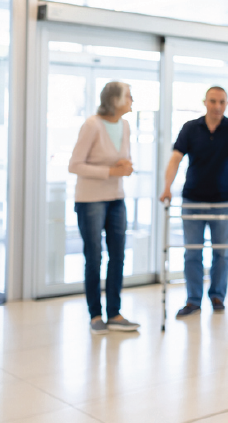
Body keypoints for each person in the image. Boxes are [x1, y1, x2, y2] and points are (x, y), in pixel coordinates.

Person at [160, 86, 228, 318]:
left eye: (222, 102)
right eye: (213, 101)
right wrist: (167, 187)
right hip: (193, 200)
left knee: (222, 252)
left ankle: (217, 296)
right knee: (192, 252)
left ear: (226, 104)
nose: (217, 106)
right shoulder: (191, 128)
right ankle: (193, 300)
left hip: (224, 201)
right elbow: (175, 159)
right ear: (205, 102)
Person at [68, 81, 141, 335]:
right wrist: (111, 171)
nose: (132, 100)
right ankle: (95, 314)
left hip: (116, 197)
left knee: (118, 255)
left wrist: (126, 167)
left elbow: (123, 159)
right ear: (115, 100)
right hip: (90, 200)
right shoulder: (92, 125)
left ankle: (115, 313)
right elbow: (75, 165)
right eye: (128, 96)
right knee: (94, 257)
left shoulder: (125, 125)